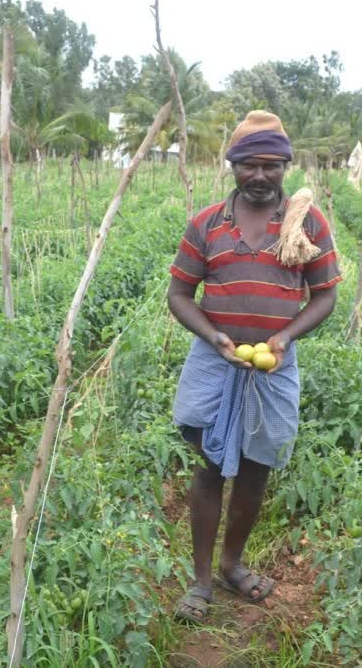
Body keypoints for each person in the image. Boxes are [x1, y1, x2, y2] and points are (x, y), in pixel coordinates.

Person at [168, 111, 341, 623]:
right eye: (249, 165)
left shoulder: (306, 223)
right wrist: (212, 334)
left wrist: (285, 336)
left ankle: (231, 564)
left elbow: (325, 295)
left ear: (285, 164)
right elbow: (179, 294)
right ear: (233, 167)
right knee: (206, 466)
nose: (260, 175)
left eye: (270, 165)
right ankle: (201, 581)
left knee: (255, 468)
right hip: (214, 360)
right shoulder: (206, 224)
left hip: (273, 366)